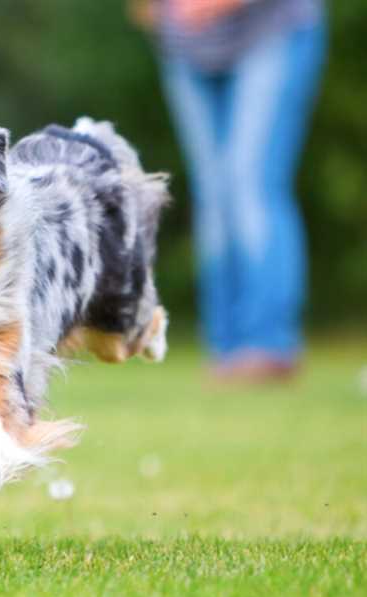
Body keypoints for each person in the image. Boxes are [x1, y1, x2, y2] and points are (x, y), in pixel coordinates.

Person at [130, 0, 327, 382]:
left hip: (271, 30)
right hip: (187, 45)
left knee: (250, 183)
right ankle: (227, 347)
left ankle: (267, 345)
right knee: (214, 195)